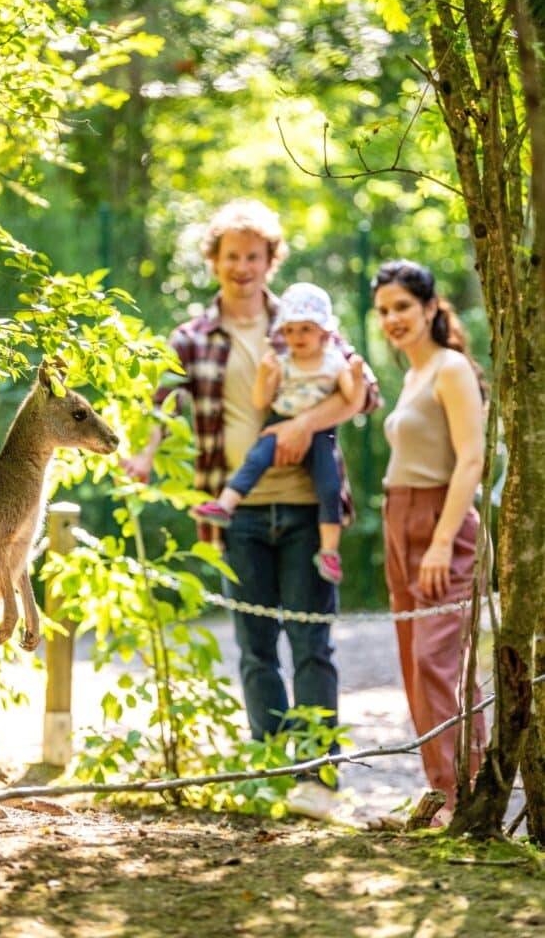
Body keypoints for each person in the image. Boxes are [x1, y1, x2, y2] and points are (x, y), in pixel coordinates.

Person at [125, 199, 379, 820]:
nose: (243, 266)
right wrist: (145, 454)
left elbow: (363, 393)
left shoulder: (306, 320)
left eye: (254, 255)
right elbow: (160, 405)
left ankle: (316, 779)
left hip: (306, 510)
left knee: (312, 643)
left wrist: (303, 429)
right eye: (231, 255)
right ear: (214, 260)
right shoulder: (189, 338)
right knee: (256, 648)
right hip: (235, 512)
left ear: (271, 260)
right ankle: (270, 774)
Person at [371, 259, 486, 822]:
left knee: (437, 663)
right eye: (384, 310)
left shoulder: (451, 368)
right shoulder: (414, 375)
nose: (393, 318)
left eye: (402, 308)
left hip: (441, 522)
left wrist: (442, 542)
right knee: (416, 667)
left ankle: (467, 802)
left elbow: (471, 459)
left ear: (431, 308)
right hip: (400, 520)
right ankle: (441, 797)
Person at [188, 282, 364, 586]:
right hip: (279, 418)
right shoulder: (284, 363)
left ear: (323, 332)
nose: (297, 338)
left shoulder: (335, 361)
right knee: (255, 459)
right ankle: (225, 505)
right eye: (291, 330)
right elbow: (261, 400)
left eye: (306, 329)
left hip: (320, 433)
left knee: (329, 485)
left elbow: (353, 396)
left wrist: (357, 376)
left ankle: (329, 551)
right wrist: (264, 374)